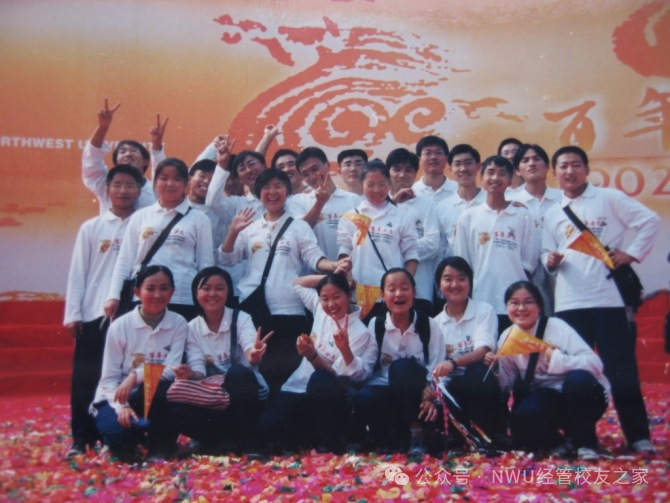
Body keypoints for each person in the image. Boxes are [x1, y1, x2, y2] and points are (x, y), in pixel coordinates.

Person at [542, 145, 660, 455]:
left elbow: (649, 221)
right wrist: (549, 260)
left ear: (587, 169)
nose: (570, 171)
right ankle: (582, 440)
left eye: (576, 165)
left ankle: (638, 436)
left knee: (621, 371)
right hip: (569, 303)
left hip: (608, 299)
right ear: (555, 173)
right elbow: (544, 251)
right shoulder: (552, 212)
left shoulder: (609, 198)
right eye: (563, 166)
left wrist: (630, 254)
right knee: (575, 373)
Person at [218, 168, 351, 394]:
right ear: (259, 193)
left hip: (289, 310)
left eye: (278, 186)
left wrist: (335, 266)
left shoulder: (298, 226)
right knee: (257, 368)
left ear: (287, 192)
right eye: (266, 187)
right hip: (254, 308)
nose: (272, 192)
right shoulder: (250, 227)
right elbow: (227, 259)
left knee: (286, 371)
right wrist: (233, 232)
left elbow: (314, 257)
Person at [64, 165, 143, 457]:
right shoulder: (92, 227)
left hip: (129, 311)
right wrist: (73, 313)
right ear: (107, 189)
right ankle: (81, 438)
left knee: (122, 376)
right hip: (94, 312)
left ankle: (116, 436)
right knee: (86, 378)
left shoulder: (143, 224)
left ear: (140, 190)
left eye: (130, 185)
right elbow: (78, 272)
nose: (123, 190)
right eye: (118, 184)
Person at [484, 281, 610, 460]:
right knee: (524, 416)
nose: (521, 308)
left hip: (581, 394)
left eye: (528, 302)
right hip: (548, 397)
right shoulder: (507, 336)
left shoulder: (557, 327)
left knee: (578, 381)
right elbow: (507, 382)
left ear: (540, 306)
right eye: (514, 303)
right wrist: (496, 367)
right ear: (506, 307)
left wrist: (558, 359)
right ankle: (558, 443)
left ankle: (585, 443)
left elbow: (595, 363)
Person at [256, 272, 377, 453]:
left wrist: (313, 355)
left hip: (329, 393)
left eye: (337, 297)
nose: (331, 304)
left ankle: (329, 442)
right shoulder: (321, 310)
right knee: (267, 428)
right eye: (325, 298)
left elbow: (335, 376)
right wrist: (332, 276)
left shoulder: (360, 332)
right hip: (297, 387)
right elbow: (298, 283)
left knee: (320, 379)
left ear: (349, 295)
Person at [91, 265, 188, 462]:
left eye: (164, 288)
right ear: (137, 292)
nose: (157, 295)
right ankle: (119, 440)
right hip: (116, 397)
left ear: (172, 291)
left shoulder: (179, 323)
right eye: (150, 288)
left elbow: (172, 369)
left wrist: (136, 376)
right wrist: (122, 407)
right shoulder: (120, 326)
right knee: (120, 439)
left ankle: (160, 445)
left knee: (167, 387)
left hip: (151, 395)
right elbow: (109, 380)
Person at [170, 267, 270, 455]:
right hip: (213, 398)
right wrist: (189, 374)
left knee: (237, 373)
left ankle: (251, 444)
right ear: (196, 293)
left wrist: (254, 354)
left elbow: (250, 350)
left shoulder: (241, 318)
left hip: (247, 395)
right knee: (174, 405)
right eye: (206, 288)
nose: (212, 294)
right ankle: (219, 441)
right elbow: (199, 371)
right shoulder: (191, 328)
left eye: (219, 288)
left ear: (228, 292)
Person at [106, 158, 214, 322]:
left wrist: (205, 300)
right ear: (155, 183)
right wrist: (113, 295)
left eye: (176, 179)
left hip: (183, 298)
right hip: (144, 297)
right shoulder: (141, 216)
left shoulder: (199, 218)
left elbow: (205, 265)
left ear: (187, 184)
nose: (170, 183)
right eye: (164, 178)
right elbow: (125, 260)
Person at [352, 268, 443, 455]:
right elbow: (367, 367)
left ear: (414, 292)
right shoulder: (376, 324)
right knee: (364, 397)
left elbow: (437, 364)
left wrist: (430, 389)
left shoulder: (429, 324)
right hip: (387, 388)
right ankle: (388, 438)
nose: (398, 294)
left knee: (402, 367)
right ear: (382, 295)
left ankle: (417, 432)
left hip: (418, 393)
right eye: (391, 289)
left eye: (404, 288)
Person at [431, 256, 509, 448]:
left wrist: (453, 363)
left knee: (478, 371)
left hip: (479, 385)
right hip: (452, 389)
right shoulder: (435, 323)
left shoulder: (484, 310)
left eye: (461, 278)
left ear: (470, 283)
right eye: (448, 279)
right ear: (439, 286)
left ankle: (491, 433)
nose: (455, 284)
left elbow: (483, 350)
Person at [454, 155, 537, 332]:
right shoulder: (468, 217)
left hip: (516, 303)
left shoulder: (523, 215)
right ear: (482, 177)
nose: (495, 178)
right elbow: (463, 262)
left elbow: (529, 262)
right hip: (482, 299)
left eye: (502, 173)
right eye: (490, 172)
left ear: (510, 180)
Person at [337, 160, 419, 323]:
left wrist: (404, 285)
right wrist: (347, 277)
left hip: (392, 294)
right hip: (360, 292)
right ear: (362, 184)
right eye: (370, 184)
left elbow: (411, 255)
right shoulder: (351, 216)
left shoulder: (401, 217)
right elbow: (344, 251)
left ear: (389, 184)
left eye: (382, 184)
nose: (376, 190)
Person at [82, 99, 168, 214]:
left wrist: (157, 145)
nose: (128, 154)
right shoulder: (106, 185)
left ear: (146, 161)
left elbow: (161, 171)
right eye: (122, 151)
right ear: (117, 162)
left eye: (133, 150)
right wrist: (103, 127)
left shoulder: (155, 190)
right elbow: (92, 159)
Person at [508, 144, 561, 314]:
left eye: (536, 159)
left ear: (547, 166)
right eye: (525, 160)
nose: (531, 163)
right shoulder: (510, 201)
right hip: (524, 268)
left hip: (559, 265)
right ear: (518, 170)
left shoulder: (562, 198)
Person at [386, 148, 440, 315]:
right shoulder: (379, 205)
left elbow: (432, 243)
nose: (402, 175)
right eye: (397, 169)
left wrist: (395, 247)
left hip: (420, 288)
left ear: (416, 174)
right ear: (388, 172)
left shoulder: (426, 204)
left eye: (408, 170)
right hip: (386, 289)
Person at [290, 147, 361, 261]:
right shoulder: (297, 201)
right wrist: (319, 203)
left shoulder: (354, 200)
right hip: (315, 269)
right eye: (306, 174)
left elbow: (362, 238)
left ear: (327, 165)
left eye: (315, 169)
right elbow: (300, 231)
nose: (313, 177)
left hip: (349, 268)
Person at [435, 144, 486, 260]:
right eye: (457, 164)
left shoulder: (490, 202)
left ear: (478, 167)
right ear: (450, 169)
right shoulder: (443, 207)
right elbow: (441, 248)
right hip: (456, 269)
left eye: (468, 163)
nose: (463, 169)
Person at [412, 135, 457, 205]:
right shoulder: (412, 192)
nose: (433, 157)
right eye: (428, 153)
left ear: (446, 158)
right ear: (419, 158)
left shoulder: (458, 190)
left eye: (438, 153)